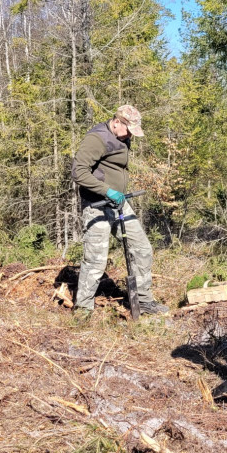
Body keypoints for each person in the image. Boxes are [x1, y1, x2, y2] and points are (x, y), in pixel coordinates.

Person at [70, 104, 167, 319]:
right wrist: (107, 190)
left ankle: (143, 301)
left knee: (142, 248)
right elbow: (78, 172)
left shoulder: (122, 137)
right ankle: (83, 309)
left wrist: (117, 192)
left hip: (119, 203)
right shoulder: (97, 139)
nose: (130, 136)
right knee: (95, 259)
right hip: (97, 205)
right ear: (117, 122)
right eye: (128, 130)